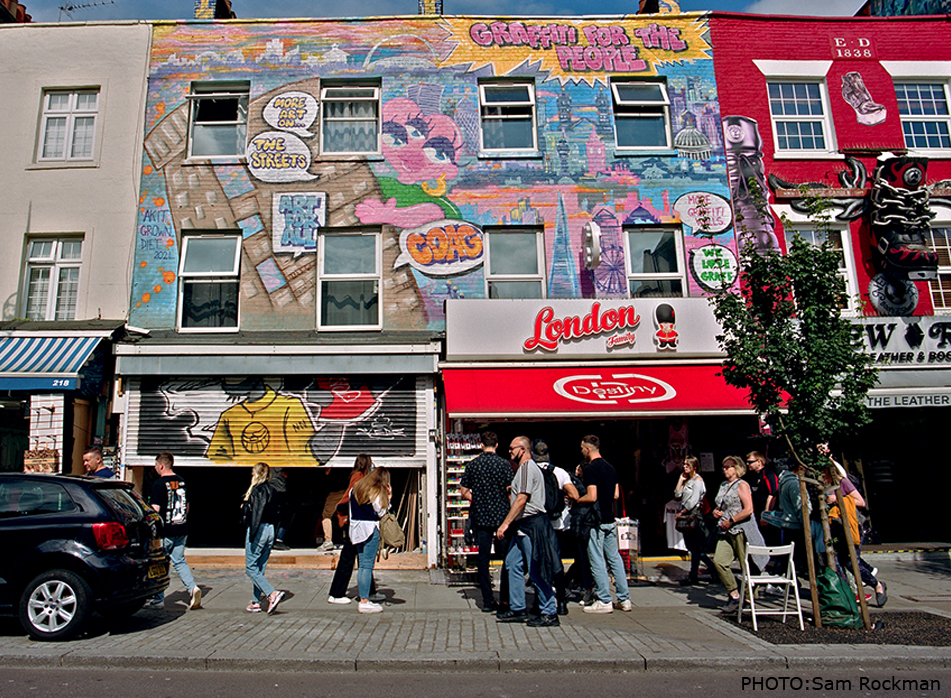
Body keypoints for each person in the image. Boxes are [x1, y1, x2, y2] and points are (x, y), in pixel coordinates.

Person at [495, 436, 561, 627]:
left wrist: (505, 524)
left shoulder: (526, 468)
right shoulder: (525, 469)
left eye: (512, 448)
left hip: (531, 526)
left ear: (522, 449)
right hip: (522, 527)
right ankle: (518, 608)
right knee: (512, 563)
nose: (509, 451)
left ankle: (549, 612)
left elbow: (522, 499)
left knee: (536, 569)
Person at [576, 435, 631, 615]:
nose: (581, 451)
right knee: (614, 558)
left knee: (597, 559)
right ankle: (624, 598)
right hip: (610, 519)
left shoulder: (591, 469)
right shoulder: (610, 468)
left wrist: (577, 499)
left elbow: (592, 496)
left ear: (588, 449)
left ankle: (604, 599)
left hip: (596, 520)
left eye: (582, 448)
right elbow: (615, 495)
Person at [459, 431, 513, 613]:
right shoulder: (504, 464)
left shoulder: (473, 465)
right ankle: (505, 599)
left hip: (481, 517)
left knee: (483, 558)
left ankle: (487, 600)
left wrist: (478, 499)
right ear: (496, 445)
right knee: (507, 557)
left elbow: (464, 491)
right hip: (502, 516)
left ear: (481, 445)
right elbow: (509, 490)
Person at [145, 452, 201, 610]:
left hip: (165, 531)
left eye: (156, 465)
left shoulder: (158, 484)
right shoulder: (182, 482)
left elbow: (155, 510)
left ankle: (158, 598)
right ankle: (192, 588)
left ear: (161, 466)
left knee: (159, 563)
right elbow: (187, 506)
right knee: (179, 561)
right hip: (181, 528)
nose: (155, 468)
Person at [711, 455, 766, 612]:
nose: (725, 469)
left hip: (740, 529)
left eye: (728, 466)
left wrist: (732, 520)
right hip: (725, 530)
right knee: (719, 561)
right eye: (723, 467)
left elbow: (748, 509)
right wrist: (716, 512)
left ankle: (748, 598)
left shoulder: (742, 485)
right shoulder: (723, 485)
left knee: (746, 564)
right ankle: (734, 594)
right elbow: (721, 505)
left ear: (736, 468)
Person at [533, 439, 578, 616]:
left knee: (538, 564)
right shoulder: (559, 472)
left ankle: (539, 602)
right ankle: (561, 602)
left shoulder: (530, 471)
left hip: (538, 524)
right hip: (556, 524)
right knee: (556, 562)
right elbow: (574, 494)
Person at [327, 455, 380, 604]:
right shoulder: (359, 477)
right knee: (348, 558)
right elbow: (352, 498)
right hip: (355, 524)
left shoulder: (359, 476)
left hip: (356, 523)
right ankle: (336, 594)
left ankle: (369, 592)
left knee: (364, 559)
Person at [242, 462, 285, 615]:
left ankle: (272, 593)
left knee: (250, 567)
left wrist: (252, 533)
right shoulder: (273, 490)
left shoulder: (257, 490)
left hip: (258, 529)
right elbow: (278, 513)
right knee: (259, 568)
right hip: (270, 529)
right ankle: (255, 601)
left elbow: (256, 514)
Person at [349, 466, 391, 614]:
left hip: (356, 529)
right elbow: (381, 511)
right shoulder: (376, 492)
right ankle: (364, 601)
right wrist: (389, 497)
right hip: (370, 528)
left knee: (362, 565)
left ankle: (364, 596)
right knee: (367, 566)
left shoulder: (355, 489)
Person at [673, 456, 714, 586]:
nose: (685, 466)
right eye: (684, 464)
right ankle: (710, 569)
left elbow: (694, 501)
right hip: (687, 514)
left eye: (688, 465)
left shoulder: (698, 481)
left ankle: (695, 574)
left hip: (693, 515)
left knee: (696, 547)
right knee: (692, 547)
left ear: (694, 467)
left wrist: (682, 512)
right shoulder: (688, 480)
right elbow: (677, 494)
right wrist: (681, 480)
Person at [270, 467, 291, 551]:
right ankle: (278, 539)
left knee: (272, 515)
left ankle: (270, 539)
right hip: (280, 490)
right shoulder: (282, 465)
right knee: (283, 516)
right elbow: (285, 474)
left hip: (270, 488)